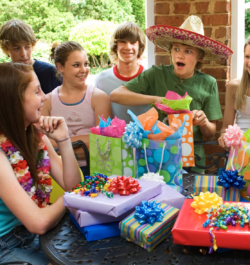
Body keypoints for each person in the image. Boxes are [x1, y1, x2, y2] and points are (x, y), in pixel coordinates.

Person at [0, 62, 111, 265]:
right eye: (36, 91)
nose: (44, 97)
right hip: (5, 250)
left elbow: (72, 184)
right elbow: (38, 222)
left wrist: (63, 139)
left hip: (34, 239)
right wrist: (69, 199)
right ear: (14, 100)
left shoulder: (35, 135)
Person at [110, 15, 233, 173]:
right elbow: (116, 95)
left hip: (193, 162)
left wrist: (204, 121)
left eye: (187, 51)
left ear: (199, 56)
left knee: (189, 196)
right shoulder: (156, 74)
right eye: (176, 49)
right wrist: (157, 99)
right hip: (157, 158)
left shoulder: (208, 83)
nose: (179, 55)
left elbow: (210, 133)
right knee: (160, 197)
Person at [42, 41, 112, 176]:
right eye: (76, 65)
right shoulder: (48, 100)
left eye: (86, 64)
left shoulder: (99, 97)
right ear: (60, 67)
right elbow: (43, 145)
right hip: (59, 171)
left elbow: (103, 143)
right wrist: (84, 141)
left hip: (94, 169)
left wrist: (60, 142)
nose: (83, 70)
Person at [95, 21, 148, 124]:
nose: (128, 47)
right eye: (123, 42)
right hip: (113, 139)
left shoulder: (151, 78)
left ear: (139, 46)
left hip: (147, 139)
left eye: (133, 42)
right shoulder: (101, 81)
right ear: (115, 46)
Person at [0, 19, 61, 94]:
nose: (23, 54)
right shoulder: (4, 75)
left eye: (27, 47)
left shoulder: (51, 72)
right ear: (6, 49)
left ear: (32, 45)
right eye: (16, 48)